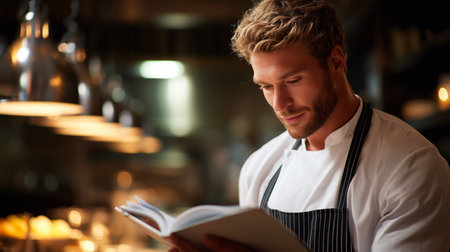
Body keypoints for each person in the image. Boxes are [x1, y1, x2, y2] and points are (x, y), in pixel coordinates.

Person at [169, 0, 450, 251]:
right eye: (266, 86)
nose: (279, 103)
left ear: (336, 62)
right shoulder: (259, 169)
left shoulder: (412, 167)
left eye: (292, 81)